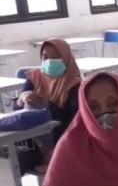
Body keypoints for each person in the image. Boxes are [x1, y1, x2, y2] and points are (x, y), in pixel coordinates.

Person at [16, 38, 82, 173]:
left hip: (58, 140)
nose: (49, 61)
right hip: (27, 137)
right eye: (44, 57)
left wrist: (56, 149)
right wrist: (24, 96)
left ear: (66, 58)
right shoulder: (35, 76)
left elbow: (75, 122)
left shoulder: (74, 84)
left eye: (56, 56)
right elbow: (17, 108)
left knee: (18, 161)